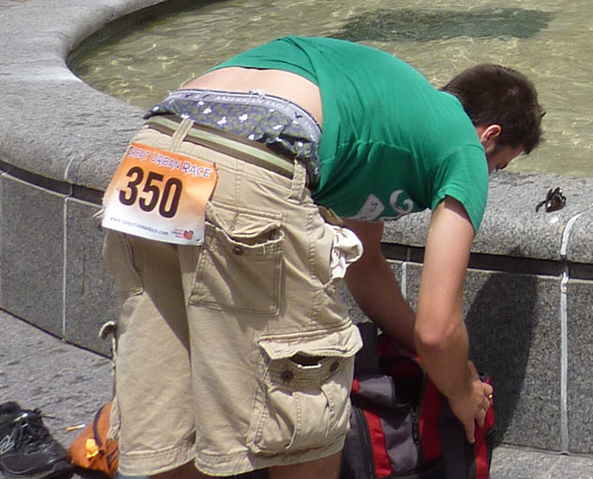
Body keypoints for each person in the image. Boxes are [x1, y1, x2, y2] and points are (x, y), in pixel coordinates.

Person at [102, 37, 543, 479]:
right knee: (304, 412)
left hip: (158, 144)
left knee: (172, 403)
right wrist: (462, 391)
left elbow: (364, 266)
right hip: (259, 144)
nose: (489, 175)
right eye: (499, 166)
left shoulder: (390, 113)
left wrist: (435, 361)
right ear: (489, 136)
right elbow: (437, 329)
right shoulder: (464, 147)